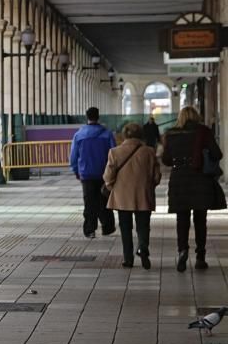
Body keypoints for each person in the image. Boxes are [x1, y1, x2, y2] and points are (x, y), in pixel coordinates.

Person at [161, 105, 226, 271]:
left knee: (181, 218)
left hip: (179, 179)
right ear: (196, 116)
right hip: (200, 179)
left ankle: (182, 250)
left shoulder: (171, 133)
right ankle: (200, 256)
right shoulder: (203, 132)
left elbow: (166, 159)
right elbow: (217, 154)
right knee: (200, 219)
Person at [103, 122, 161, 268]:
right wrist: (149, 186)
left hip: (122, 196)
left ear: (124, 135)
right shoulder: (149, 151)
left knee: (125, 226)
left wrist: (112, 187)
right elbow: (156, 176)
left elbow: (108, 176)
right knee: (143, 225)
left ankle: (128, 259)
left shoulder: (114, 152)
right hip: (143, 194)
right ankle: (142, 247)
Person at [70, 107, 116, 238]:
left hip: (86, 174)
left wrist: (76, 171)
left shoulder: (79, 135)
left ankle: (90, 229)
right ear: (98, 117)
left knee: (89, 202)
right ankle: (107, 227)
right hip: (103, 174)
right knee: (104, 200)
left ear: (87, 117)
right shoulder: (107, 134)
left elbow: (73, 156)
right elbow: (113, 154)